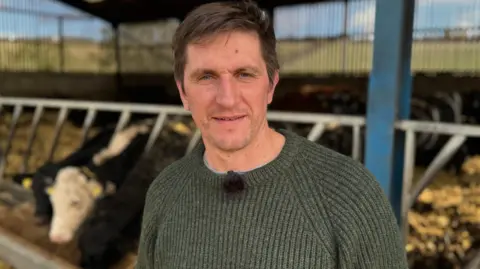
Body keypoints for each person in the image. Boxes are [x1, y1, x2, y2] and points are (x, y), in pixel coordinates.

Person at [135, 0, 409, 268]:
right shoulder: (165, 191)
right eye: (206, 77)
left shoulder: (350, 193)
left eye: (244, 74)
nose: (227, 99)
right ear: (183, 92)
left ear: (271, 86)